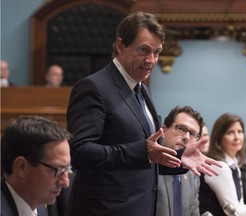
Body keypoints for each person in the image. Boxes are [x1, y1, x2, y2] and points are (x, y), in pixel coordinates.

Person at [66, 12, 221, 216]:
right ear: (120, 46)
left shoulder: (142, 91)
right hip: (105, 210)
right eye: (144, 50)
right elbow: (79, 152)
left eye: (156, 52)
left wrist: (178, 158)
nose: (151, 60)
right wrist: (143, 152)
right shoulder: (94, 87)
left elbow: (147, 158)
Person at [1, 115, 72, 216]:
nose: (66, 182)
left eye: (67, 169)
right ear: (22, 167)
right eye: (57, 170)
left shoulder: (38, 206)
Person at [156, 106, 204, 216]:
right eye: (181, 129)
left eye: (192, 134)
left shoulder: (193, 174)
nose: (186, 137)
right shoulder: (149, 165)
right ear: (164, 130)